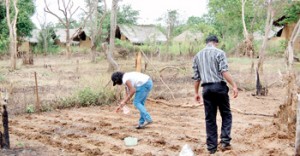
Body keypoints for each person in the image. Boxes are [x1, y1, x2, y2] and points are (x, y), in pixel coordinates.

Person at [192, 35, 238, 154]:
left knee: (210, 118)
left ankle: (212, 147)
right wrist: (234, 85)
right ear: (215, 42)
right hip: (219, 87)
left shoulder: (198, 55)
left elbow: (196, 78)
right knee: (226, 114)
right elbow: (224, 71)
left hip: (206, 89)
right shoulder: (219, 52)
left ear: (206, 42)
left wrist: (196, 93)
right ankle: (225, 141)